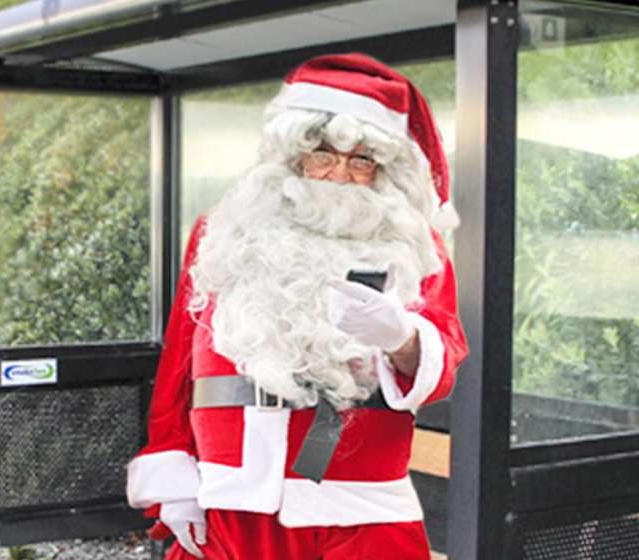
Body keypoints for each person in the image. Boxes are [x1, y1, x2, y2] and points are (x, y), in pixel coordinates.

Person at [126, 53, 468, 560]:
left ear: (382, 170)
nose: (338, 176)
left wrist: (403, 338)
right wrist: (172, 467)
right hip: (232, 496)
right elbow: (180, 357)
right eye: (323, 156)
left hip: (359, 506)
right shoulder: (223, 229)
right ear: (295, 154)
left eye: (360, 162)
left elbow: (444, 365)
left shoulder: (412, 246)